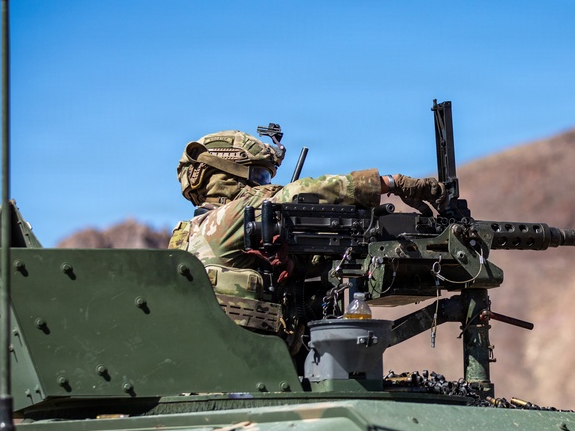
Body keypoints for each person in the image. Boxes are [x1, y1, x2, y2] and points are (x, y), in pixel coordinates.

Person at [169, 129, 443, 339]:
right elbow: (295, 193)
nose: (269, 185)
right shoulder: (224, 220)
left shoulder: (187, 236)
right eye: (262, 176)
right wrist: (389, 183)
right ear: (223, 175)